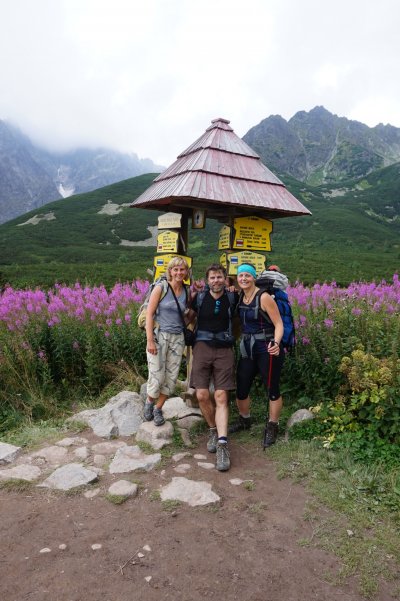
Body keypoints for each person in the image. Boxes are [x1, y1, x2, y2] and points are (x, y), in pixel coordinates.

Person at [190, 264, 238, 471]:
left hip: (224, 348)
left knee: (221, 396)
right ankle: (212, 429)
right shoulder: (198, 298)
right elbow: (187, 317)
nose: (216, 280)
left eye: (220, 277)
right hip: (201, 346)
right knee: (201, 395)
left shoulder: (232, 297)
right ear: (207, 280)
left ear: (226, 279)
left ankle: (222, 443)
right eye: (212, 277)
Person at [231, 263, 284, 448]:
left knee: (272, 388)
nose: (244, 278)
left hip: (266, 347)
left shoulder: (264, 297)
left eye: (247, 275)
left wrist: (276, 344)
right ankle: (245, 419)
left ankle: (272, 425)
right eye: (241, 276)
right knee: (242, 386)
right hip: (247, 348)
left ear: (254, 278)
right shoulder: (239, 297)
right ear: (237, 279)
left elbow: (278, 324)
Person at [144, 257, 189, 426]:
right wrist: (150, 340)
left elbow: (186, 314)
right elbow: (149, 314)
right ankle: (149, 402)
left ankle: (158, 408)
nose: (178, 272)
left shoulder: (187, 290)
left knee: (171, 377)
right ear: (169, 271)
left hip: (178, 338)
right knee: (156, 374)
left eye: (182, 269)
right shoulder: (160, 288)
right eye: (175, 269)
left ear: (186, 272)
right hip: (159, 335)